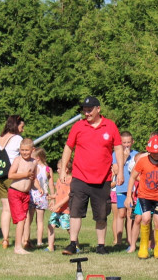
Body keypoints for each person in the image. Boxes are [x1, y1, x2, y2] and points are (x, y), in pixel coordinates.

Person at [59, 96, 123, 256]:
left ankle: (101, 245)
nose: (86, 113)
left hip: (102, 179)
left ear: (98, 109)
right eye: (84, 110)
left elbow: (118, 149)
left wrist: (120, 170)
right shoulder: (78, 126)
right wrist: (63, 169)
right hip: (80, 177)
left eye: (89, 110)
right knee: (75, 211)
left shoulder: (110, 126)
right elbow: (68, 147)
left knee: (101, 214)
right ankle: (73, 243)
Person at [126, 134, 158, 259]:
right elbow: (132, 177)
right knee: (146, 218)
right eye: (154, 153)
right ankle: (143, 248)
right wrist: (129, 195)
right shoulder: (142, 161)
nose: (157, 155)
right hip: (144, 196)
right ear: (149, 151)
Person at [0, 115, 25, 249]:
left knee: (6, 209)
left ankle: (5, 239)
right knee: (21, 207)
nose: (23, 130)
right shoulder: (18, 139)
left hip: (0, 176)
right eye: (21, 127)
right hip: (13, 176)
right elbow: (26, 154)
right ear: (15, 125)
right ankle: (24, 240)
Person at [7, 138, 38, 255]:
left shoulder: (34, 162)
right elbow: (10, 175)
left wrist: (39, 189)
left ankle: (23, 243)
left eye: (27, 150)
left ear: (32, 150)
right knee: (21, 219)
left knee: (24, 220)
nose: (24, 152)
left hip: (25, 194)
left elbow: (33, 178)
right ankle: (17, 247)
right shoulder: (18, 160)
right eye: (22, 150)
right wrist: (25, 174)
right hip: (15, 192)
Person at [112, 132, 134, 247]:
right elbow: (116, 171)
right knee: (121, 214)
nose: (126, 145)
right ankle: (119, 241)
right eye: (124, 143)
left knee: (130, 214)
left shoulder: (136, 155)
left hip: (133, 189)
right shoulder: (116, 155)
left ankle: (130, 240)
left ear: (132, 142)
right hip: (121, 188)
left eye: (128, 142)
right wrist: (124, 157)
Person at [28, 147, 52, 249]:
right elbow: (51, 184)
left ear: (37, 158)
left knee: (29, 219)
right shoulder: (48, 169)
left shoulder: (35, 168)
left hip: (33, 195)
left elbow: (33, 180)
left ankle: (26, 239)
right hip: (43, 197)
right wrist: (52, 196)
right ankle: (39, 241)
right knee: (40, 221)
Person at [48, 164, 71, 254]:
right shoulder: (58, 180)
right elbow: (58, 193)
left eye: (59, 168)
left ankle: (75, 245)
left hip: (66, 210)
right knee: (51, 225)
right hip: (57, 209)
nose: (57, 170)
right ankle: (50, 246)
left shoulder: (71, 180)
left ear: (66, 169)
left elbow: (68, 196)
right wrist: (52, 197)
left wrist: (58, 205)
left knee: (69, 228)